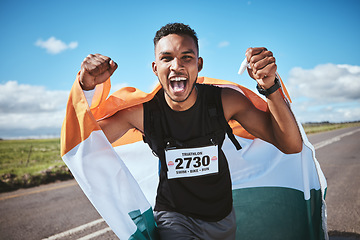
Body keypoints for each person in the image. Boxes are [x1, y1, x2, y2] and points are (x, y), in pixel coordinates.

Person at [79, 23, 303, 239]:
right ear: (155, 68)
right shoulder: (142, 113)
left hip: (222, 218)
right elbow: (82, 146)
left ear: (199, 64)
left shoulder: (225, 101)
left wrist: (269, 85)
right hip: (173, 217)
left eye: (186, 57)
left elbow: (290, 145)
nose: (177, 65)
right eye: (167, 58)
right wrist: (85, 88)